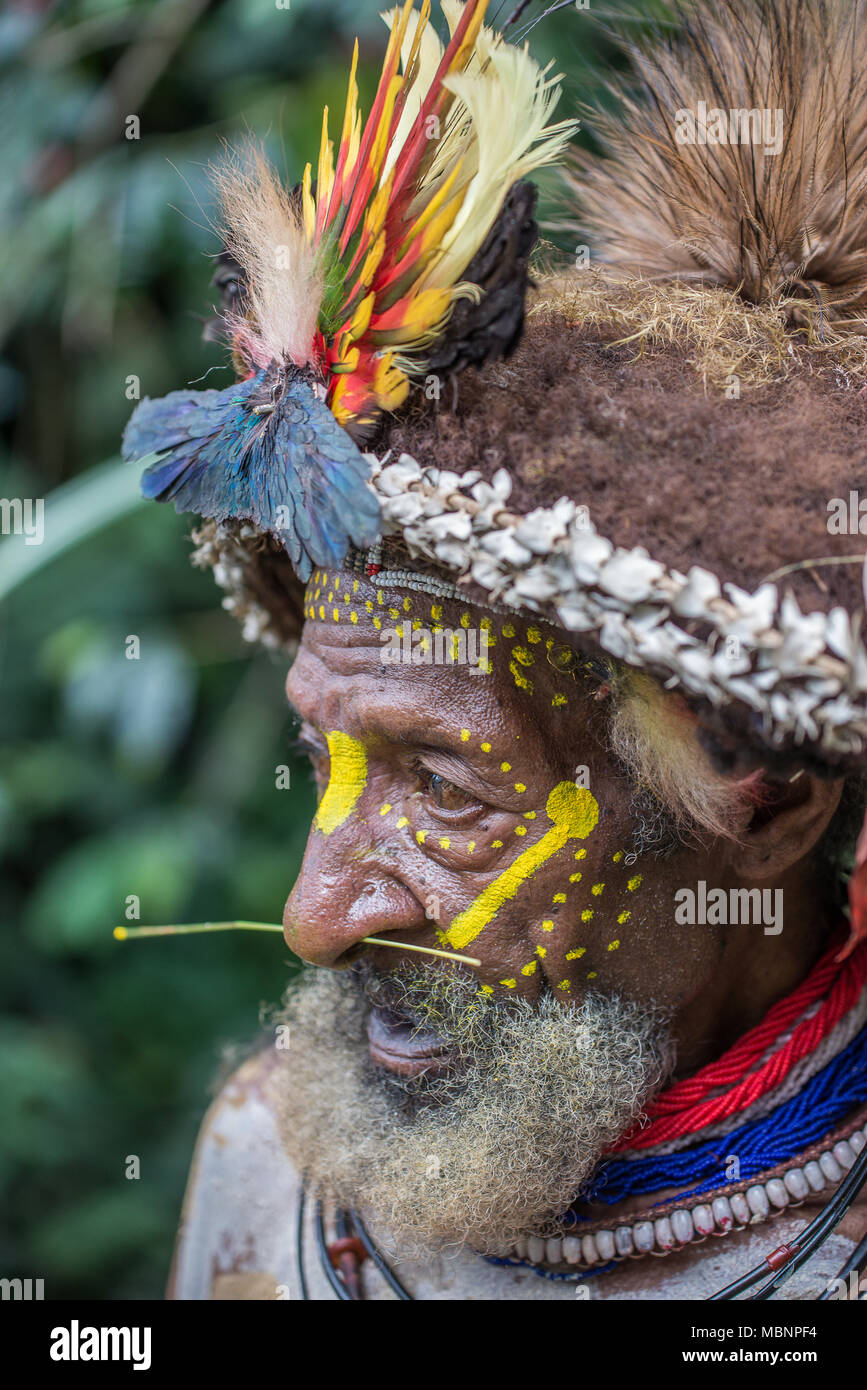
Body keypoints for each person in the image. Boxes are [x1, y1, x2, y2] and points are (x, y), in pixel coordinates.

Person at [124, 0, 867, 1299]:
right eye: (327, 757)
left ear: (772, 805)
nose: (315, 915)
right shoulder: (269, 1157)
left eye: (449, 789)